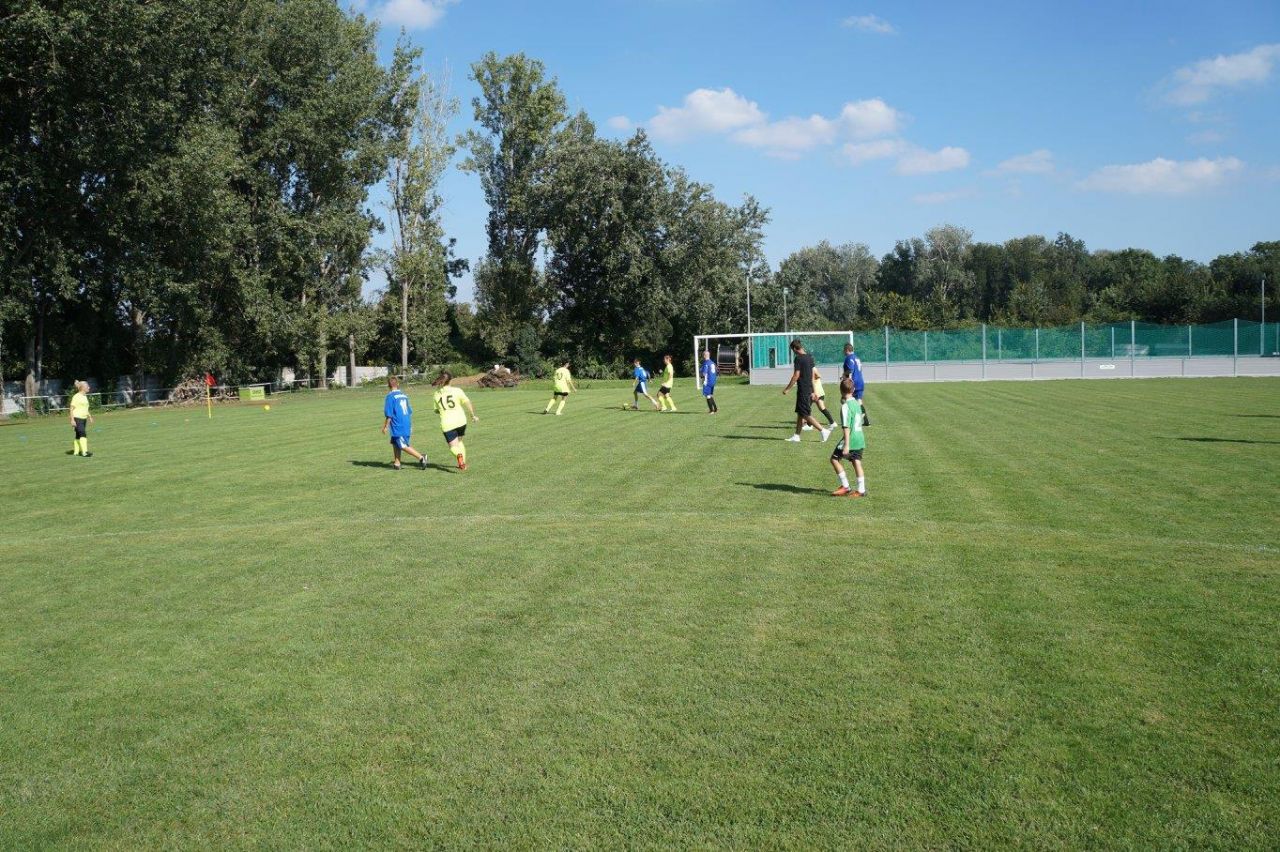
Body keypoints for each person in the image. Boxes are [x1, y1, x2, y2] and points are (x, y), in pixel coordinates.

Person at [781, 339, 830, 443]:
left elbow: (796, 375)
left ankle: (823, 430)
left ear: (795, 349)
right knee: (800, 413)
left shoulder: (798, 359)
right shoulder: (809, 357)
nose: (793, 352)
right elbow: (812, 376)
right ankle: (796, 436)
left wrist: (787, 389)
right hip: (808, 389)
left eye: (792, 350)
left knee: (805, 414)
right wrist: (814, 391)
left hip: (803, 390)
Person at [829, 377, 867, 497]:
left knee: (834, 459)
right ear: (853, 390)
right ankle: (861, 490)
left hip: (851, 438)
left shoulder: (845, 407)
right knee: (856, 462)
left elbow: (846, 427)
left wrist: (846, 444)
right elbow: (862, 417)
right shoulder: (857, 403)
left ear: (840, 391)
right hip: (860, 437)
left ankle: (845, 486)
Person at [434, 371, 478, 470]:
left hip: (447, 423)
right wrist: (472, 415)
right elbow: (467, 402)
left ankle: (459, 455)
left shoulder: (437, 393)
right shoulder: (457, 390)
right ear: (450, 381)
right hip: (461, 421)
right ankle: (463, 464)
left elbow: (436, 410)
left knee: (453, 446)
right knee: (459, 441)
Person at [381, 376, 427, 471]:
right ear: (398, 384)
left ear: (388, 385)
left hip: (398, 425)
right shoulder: (404, 396)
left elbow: (389, 414)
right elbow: (409, 411)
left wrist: (385, 426)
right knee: (395, 443)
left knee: (402, 445)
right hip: (406, 422)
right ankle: (397, 463)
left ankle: (421, 457)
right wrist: (410, 425)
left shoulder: (390, 397)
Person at [842, 343, 870, 426]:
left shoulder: (849, 358)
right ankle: (866, 421)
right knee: (859, 401)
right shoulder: (857, 357)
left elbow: (850, 370)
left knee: (844, 400)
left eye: (844, 350)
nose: (843, 352)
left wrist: (844, 376)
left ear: (847, 350)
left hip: (853, 382)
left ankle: (851, 419)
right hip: (860, 381)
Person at [68, 380, 93, 457]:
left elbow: (85, 408)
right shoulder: (76, 396)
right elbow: (71, 409)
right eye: (87, 386)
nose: (89, 387)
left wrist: (89, 416)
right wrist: (72, 420)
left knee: (78, 435)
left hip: (83, 418)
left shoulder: (84, 396)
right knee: (83, 433)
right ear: (83, 388)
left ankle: (76, 452)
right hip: (77, 418)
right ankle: (84, 452)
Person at [699, 349, 719, 414]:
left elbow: (704, 373)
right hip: (712, 381)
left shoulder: (706, 363)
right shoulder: (713, 363)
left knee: (707, 395)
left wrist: (701, 377)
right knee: (710, 395)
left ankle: (711, 411)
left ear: (704, 356)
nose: (703, 356)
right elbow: (716, 372)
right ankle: (715, 409)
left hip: (707, 381)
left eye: (703, 355)